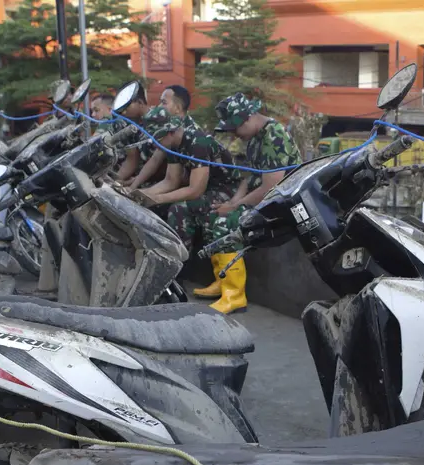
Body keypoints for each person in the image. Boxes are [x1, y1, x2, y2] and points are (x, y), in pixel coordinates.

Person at [195, 93, 303, 314]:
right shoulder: (254, 137)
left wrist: (235, 207)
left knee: (226, 222)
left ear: (247, 118)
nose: (234, 135)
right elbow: (248, 177)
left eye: (234, 129)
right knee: (214, 214)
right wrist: (233, 201)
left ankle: (234, 295)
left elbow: (269, 188)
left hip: (283, 202)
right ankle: (222, 280)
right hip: (264, 198)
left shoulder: (273, 134)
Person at [139, 107, 242, 289]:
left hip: (227, 189)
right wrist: (142, 196)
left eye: (157, 138)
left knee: (180, 209)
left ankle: (177, 272)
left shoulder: (197, 142)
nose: (155, 144)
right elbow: (171, 181)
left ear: (170, 132)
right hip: (208, 188)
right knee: (152, 205)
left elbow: (195, 190)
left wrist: (158, 199)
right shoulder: (173, 145)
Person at [127, 85, 201, 190]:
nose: (159, 106)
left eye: (164, 102)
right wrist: (132, 187)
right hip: (175, 181)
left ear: (178, 108)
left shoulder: (191, 133)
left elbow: (188, 183)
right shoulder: (169, 127)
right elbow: (155, 159)